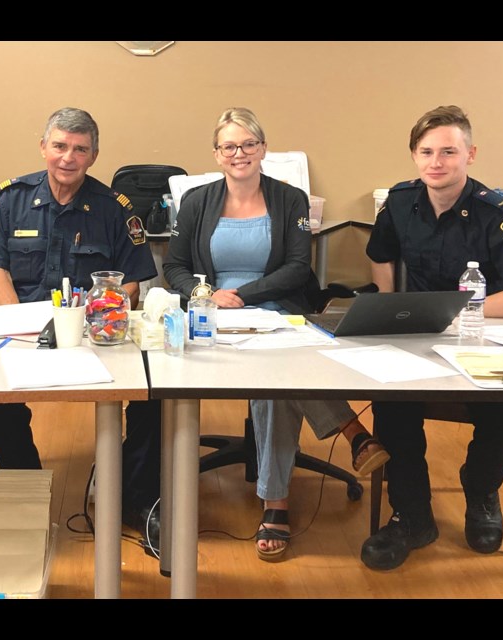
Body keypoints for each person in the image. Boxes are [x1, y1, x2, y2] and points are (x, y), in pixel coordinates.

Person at [163, 107, 389, 562]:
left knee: (274, 381)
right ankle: (351, 430)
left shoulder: (290, 199)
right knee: (279, 371)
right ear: (217, 154)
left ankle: (275, 503)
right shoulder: (197, 202)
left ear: (263, 149)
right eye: (229, 146)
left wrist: (243, 295)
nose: (239, 153)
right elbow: (173, 267)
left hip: (276, 308)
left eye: (248, 144)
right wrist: (207, 293)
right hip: (213, 315)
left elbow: (296, 268)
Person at [361, 105, 503, 570]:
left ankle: (481, 488)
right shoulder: (401, 203)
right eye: (426, 152)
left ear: (471, 154)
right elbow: (379, 254)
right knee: (389, 405)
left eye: (449, 151)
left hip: (484, 337)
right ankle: (413, 516)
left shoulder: (500, 215)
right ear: (414, 156)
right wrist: (389, 302)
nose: (436, 162)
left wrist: (461, 311)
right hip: (419, 335)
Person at [0, 107, 162, 545]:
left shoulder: (115, 208)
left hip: (98, 332)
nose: (68, 157)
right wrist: (20, 328)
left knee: (153, 397)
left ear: (93, 155)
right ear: (43, 147)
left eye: (80, 149)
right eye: (59, 146)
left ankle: (134, 497)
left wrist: (102, 320)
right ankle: (27, 490)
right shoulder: (10, 198)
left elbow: (132, 282)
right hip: (24, 331)